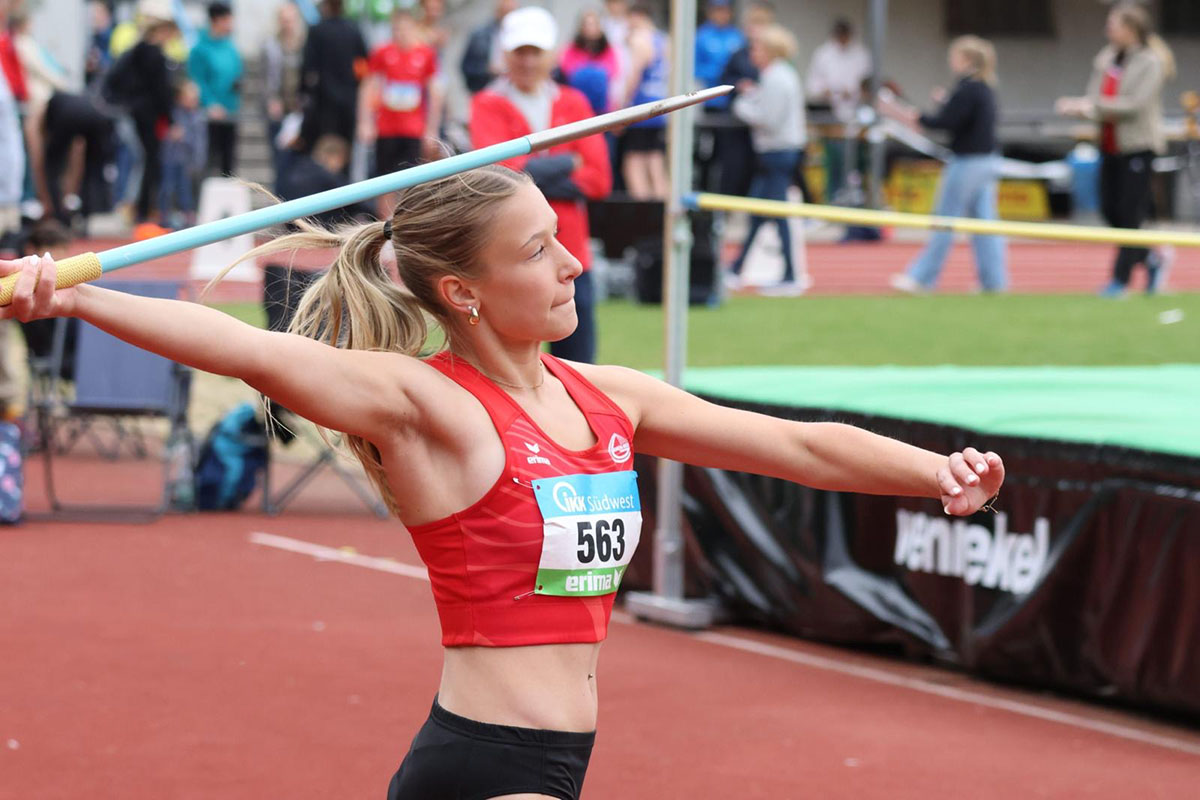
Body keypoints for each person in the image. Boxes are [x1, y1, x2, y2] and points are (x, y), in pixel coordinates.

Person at [0, 161, 1005, 798]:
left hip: (557, 761)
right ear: (464, 292)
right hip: (484, 764)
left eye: (560, 237)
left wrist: (936, 471)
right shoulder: (432, 408)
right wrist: (77, 298)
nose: (573, 264)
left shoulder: (610, 396)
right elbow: (246, 348)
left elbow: (797, 447)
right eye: (538, 250)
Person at [470, 5, 612, 365]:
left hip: (572, 251)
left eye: (536, 51)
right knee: (511, 366)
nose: (528, 61)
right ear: (506, 53)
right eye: (520, 51)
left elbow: (599, 179)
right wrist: (567, 164)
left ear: (552, 54)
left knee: (579, 366)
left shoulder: (574, 103)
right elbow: (498, 175)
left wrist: (529, 173)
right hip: (513, 256)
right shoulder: (488, 103)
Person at [1056, 2, 1175, 298]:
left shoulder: (1150, 62)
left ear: (1131, 28)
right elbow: (1096, 96)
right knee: (1110, 211)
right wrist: (1081, 106)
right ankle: (1151, 258)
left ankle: (1119, 282)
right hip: (1109, 145)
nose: (1107, 30)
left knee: (1130, 213)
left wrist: (1091, 107)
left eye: (1113, 25)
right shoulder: (1107, 58)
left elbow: (1135, 105)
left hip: (1138, 146)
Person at [879, 36, 1008, 294]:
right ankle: (994, 282)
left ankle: (923, 277)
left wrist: (911, 115)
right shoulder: (981, 88)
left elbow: (945, 122)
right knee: (985, 223)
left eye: (955, 56)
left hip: (968, 162)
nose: (951, 61)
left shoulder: (968, 89)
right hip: (986, 160)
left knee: (944, 219)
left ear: (967, 60)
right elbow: (960, 117)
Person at [725, 24, 806, 294]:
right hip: (777, 152)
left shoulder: (777, 77)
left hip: (777, 152)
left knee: (778, 214)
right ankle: (736, 268)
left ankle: (790, 276)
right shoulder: (778, 75)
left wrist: (741, 106)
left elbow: (769, 120)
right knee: (759, 212)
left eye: (757, 48)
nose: (753, 53)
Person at [358, 5, 441, 219]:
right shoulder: (382, 52)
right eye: (396, 29)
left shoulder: (425, 54)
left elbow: (435, 93)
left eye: (405, 28)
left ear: (413, 27)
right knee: (384, 181)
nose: (401, 33)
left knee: (412, 180)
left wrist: (432, 129)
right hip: (386, 129)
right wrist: (365, 122)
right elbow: (369, 85)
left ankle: (407, 223)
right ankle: (385, 225)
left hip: (413, 130)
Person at [100, 0, 176, 224]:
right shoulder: (155, 55)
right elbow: (161, 92)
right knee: (142, 161)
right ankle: (135, 208)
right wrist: (171, 119)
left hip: (130, 113)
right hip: (143, 117)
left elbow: (112, 80)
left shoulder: (134, 52)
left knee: (134, 159)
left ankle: (133, 208)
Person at [807, 18, 872, 203]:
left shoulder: (861, 54)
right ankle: (834, 196)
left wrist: (853, 91)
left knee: (857, 159)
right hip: (832, 116)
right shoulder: (823, 54)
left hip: (855, 114)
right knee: (834, 158)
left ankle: (855, 195)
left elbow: (868, 84)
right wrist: (827, 91)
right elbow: (812, 86)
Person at [715, 0, 774, 197]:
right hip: (738, 122)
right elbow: (724, 80)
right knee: (734, 169)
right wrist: (740, 85)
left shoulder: (774, 61)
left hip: (762, 125)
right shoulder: (738, 54)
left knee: (759, 172)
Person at [299, 0, 369, 151]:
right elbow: (364, 63)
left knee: (324, 146)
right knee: (345, 147)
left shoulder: (317, 30)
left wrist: (303, 92)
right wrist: (358, 84)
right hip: (349, 98)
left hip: (324, 99)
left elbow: (308, 67)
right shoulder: (353, 29)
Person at [188, 2, 243, 178]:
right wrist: (210, 103)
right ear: (217, 20)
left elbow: (237, 73)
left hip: (230, 111)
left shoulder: (230, 47)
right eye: (227, 20)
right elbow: (197, 81)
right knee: (209, 161)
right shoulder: (199, 49)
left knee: (229, 163)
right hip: (208, 116)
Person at [620, 4, 669, 200]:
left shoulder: (640, 39)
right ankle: (664, 212)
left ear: (637, 16)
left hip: (640, 108)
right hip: (659, 107)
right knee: (655, 164)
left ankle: (644, 213)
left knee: (633, 164)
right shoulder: (663, 40)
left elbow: (634, 75)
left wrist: (622, 106)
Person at [262, 1, 306, 184]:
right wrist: (272, 100)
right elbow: (266, 78)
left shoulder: (304, 44)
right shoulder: (271, 45)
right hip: (280, 109)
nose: (287, 24)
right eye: (284, 20)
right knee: (280, 158)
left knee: (298, 158)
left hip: (299, 109)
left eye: (291, 20)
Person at [159, 81, 207, 229]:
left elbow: (199, 142)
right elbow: (163, 134)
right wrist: (170, 135)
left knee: (186, 191)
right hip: (170, 158)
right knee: (167, 188)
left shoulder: (198, 117)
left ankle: (187, 218)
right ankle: (165, 218)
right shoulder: (173, 114)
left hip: (187, 160)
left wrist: (184, 138)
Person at [559, 9, 621, 116]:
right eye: (587, 24)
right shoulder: (571, 48)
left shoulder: (608, 49)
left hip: (603, 109)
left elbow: (613, 71)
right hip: (577, 105)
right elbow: (566, 69)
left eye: (593, 24)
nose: (590, 28)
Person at [694, 0, 744, 112]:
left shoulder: (737, 36)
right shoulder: (702, 36)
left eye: (725, 11)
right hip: (710, 97)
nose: (722, 15)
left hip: (734, 99)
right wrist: (720, 73)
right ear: (710, 12)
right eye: (718, 10)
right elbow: (694, 68)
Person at [459, 0, 516, 95]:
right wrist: (487, 69)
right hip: (485, 88)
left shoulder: (522, 37)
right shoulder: (480, 35)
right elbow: (467, 67)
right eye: (505, 11)